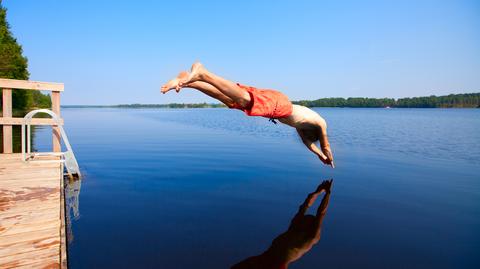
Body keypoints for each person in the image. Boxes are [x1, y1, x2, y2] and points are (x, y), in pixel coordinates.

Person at [161, 63, 334, 167]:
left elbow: (308, 143)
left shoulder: (303, 128)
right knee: (243, 100)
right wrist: (327, 157)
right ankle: (203, 73)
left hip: (276, 105)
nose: (306, 139)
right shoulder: (321, 124)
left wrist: (319, 155)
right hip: (279, 105)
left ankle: (189, 82)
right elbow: (325, 146)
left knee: (231, 102)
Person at [230, 179, 333, 269]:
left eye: (304, 221)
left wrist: (326, 193)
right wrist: (319, 192)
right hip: (266, 258)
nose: (302, 221)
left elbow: (321, 213)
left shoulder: (311, 237)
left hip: (277, 264)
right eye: (303, 220)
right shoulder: (296, 226)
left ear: (307, 225)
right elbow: (305, 206)